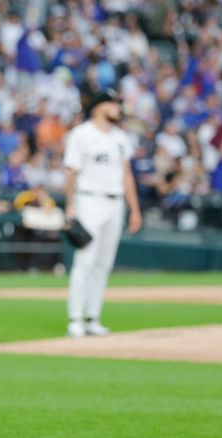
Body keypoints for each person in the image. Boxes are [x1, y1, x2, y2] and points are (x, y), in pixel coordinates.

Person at [63, 89, 142, 337]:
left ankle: (92, 317)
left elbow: (127, 174)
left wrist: (135, 209)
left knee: (103, 264)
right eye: (113, 103)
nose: (118, 107)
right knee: (85, 261)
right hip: (89, 199)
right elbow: (71, 172)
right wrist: (70, 206)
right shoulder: (82, 134)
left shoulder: (120, 137)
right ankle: (75, 318)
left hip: (115, 201)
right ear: (99, 107)